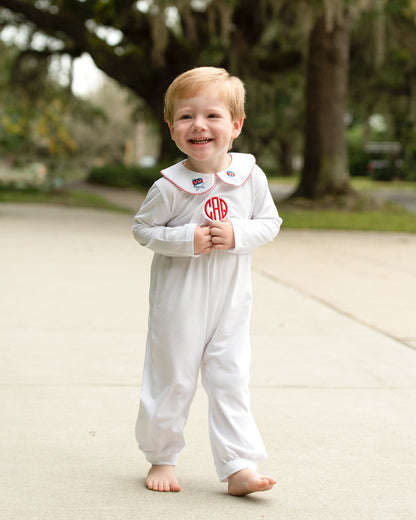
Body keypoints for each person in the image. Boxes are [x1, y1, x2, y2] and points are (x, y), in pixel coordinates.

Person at [132, 67, 282, 496]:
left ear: (235, 125)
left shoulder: (251, 178)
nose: (199, 125)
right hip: (180, 299)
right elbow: (143, 230)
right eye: (185, 117)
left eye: (212, 115)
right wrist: (185, 239)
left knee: (230, 376)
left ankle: (239, 466)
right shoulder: (170, 187)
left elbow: (269, 223)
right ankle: (162, 456)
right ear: (172, 130)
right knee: (173, 376)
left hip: (231, 300)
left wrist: (238, 234)